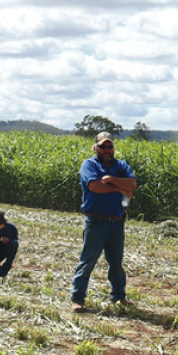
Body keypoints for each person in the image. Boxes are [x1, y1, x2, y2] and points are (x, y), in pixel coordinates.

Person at [70, 132, 136, 313]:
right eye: (103, 147)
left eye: (110, 146)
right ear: (95, 148)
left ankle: (119, 296)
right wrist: (119, 188)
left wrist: (111, 181)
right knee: (88, 261)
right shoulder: (89, 165)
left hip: (117, 221)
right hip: (96, 220)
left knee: (116, 262)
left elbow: (132, 185)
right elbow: (95, 186)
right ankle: (77, 300)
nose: (107, 150)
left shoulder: (121, 166)